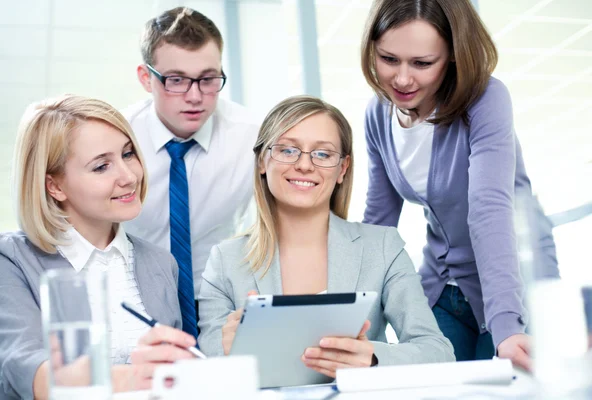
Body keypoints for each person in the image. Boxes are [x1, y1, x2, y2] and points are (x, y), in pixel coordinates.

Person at [360, 0, 558, 370]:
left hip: (510, 288)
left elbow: (489, 209)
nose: (402, 79)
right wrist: (359, 325)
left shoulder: (485, 99)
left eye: (422, 63)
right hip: (442, 285)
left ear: (452, 55)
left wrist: (507, 329)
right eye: (389, 59)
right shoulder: (377, 113)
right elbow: (378, 225)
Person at [197, 95, 455, 378]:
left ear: (342, 169)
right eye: (287, 150)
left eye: (322, 154)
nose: (305, 165)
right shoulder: (225, 260)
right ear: (262, 161)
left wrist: (372, 358)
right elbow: (207, 367)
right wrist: (227, 352)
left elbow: (437, 350)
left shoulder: (382, 247)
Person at [0, 95, 197, 399]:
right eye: (102, 166)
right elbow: (25, 370)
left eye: (128, 154)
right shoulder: (12, 260)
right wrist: (137, 377)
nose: (129, 176)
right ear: (55, 186)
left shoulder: (160, 262)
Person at [122, 7, 259, 337]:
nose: (195, 97)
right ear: (146, 78)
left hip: (222, 306)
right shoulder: (117, 139)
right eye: (177, 80)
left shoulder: (252, 138)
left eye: (208, 79)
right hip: (135, 309)